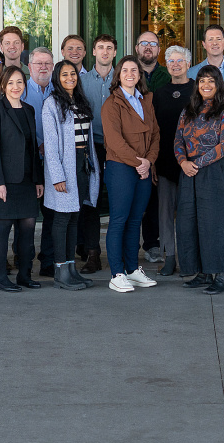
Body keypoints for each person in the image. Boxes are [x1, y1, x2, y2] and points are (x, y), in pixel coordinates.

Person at [175, 65, 224, 294]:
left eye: (211, 81)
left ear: (218, 84)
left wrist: (197, 164)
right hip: (189, 172)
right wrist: (183, 162)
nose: (206, 85)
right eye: (202, 81)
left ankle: (220, 276)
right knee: (191, 223)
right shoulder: (188, 110)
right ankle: (202, 272)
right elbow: (178, 140)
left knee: (216, 224)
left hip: (213, 172)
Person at [101, 56, 160, 293]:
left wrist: (149, 161)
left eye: (134, 70)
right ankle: (117, 273)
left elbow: (156, 134)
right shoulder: (111, 104)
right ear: (118, 75)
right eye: (125, 70)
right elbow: (115, 141)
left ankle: (133, 269)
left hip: (143, 168)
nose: (129, 73)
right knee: (118, 220)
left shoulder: (146, 101)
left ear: (139, 75)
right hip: (121, 168)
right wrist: (139, 162)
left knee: (135, 221)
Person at [0, 65, 44, 292]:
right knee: (2, 227)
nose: (16, 87)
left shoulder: (29, 110)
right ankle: (1, 278)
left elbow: (32, 149)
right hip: (5, 181)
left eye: (19, 82)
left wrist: (38, 180)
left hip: (28, 180)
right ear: (3, 85)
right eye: (10, 83)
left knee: (28, 229)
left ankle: (25, 275)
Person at [42, 59, 100, 291]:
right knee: (62, 218)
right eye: (64, 74)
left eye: (73, 74)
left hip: (82, 163)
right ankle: (60, 271)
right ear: (57, 77)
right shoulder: (52, 103)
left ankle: (71, 268)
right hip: (65, 166)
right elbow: (52, 143)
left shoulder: (80, 101)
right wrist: (57, 176)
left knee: (75, 217)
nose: (70, 78)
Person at [152, 46, 194, 276]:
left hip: (192, 163)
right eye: (170, 61)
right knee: (165, 213)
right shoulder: (159, 93)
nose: (175, 64)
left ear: (188, 64)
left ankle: (189, 257)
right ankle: (169, 257)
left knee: (189, 213)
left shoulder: (198, 89)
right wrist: (154, 162)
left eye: (180, 61)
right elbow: (154, 129)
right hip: (166, 162)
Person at [78, 34, 117, 273]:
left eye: (109, 48)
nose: (104, 52)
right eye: (100, 47)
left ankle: (119, 252)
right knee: (90, 201)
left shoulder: (123, 78)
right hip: (90, 147)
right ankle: (92, 252)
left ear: (114, 53)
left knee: (117, 200)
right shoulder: (81, 81)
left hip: (117, 147)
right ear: (93, 52)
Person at [23, 47, 56, 276]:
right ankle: (22, 258)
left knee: (52, 214)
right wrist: (38, 144)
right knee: (27, 214)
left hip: (54, 163)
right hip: (28, 160)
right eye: (38, 64)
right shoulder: (21, 90)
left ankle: (48, 260)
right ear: (29, 66)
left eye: (47, 64)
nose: (43, 67)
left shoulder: (61, 90)